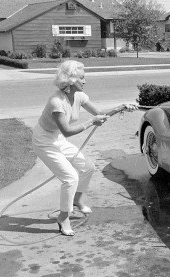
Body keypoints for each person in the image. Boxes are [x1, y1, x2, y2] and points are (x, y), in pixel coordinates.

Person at [32, 60, 128, 236]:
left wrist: (121, 107)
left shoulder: (79, 96)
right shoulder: (56, 102)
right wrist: (91, 121)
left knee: (88, 168)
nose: (85, 81)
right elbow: (67, 131)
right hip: (44, 140)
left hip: (57, 138)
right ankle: (63, 217)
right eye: (82, 78)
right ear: (70, 80)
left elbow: (99, 113)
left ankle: (76, 200)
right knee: (70, 178)